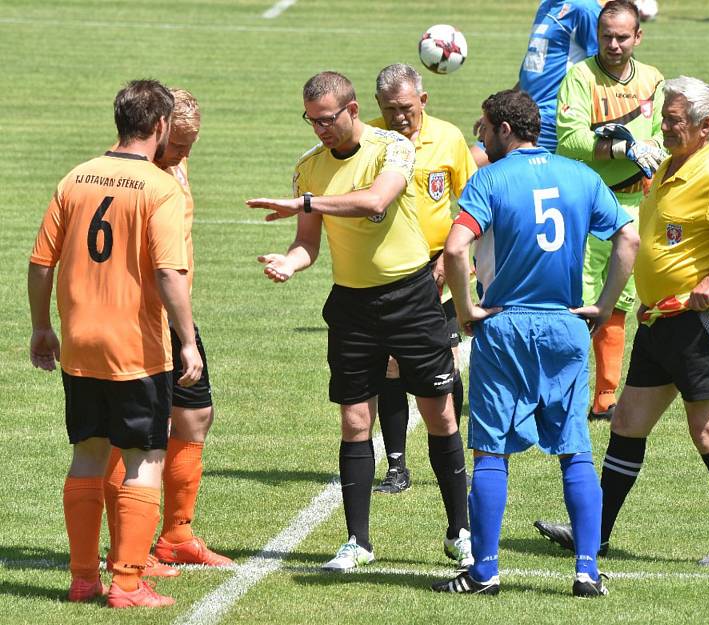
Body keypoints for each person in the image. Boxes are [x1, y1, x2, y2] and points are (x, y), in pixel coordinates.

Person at [535, 76, 709, 565]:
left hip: (698, 325)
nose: (664, 127)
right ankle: (596, 534)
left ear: (704, 127)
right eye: (664, 117)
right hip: (659, 322)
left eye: (673, 120)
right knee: (626, 422)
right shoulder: (670, 164)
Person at [247, 71, 472, 572]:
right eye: (312, 121)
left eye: (328, 119)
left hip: (412, 298)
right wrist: (290, 262)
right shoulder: (308, 168)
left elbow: (375, 201)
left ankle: (460, 531)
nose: (320, 130)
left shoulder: (392, 147)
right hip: (352, 306)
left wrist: (304, 203)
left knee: (440, 415)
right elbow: (308, 243)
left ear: (351, 110)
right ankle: (357, 541)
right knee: (354, 422)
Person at [431, 89, 639, 597]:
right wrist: (606, 305)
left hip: (505, 327)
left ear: (505, 129)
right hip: (566, 325)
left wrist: (465, 310)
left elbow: (457, 248)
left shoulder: (490, 180)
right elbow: (628, 238)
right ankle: (587, 570)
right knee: (575, 451)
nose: (478, 135)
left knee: (491, 452)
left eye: (482, 126)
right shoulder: (580, 176)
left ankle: (484, 571)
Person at [28, 79, 202, 608]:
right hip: (136, 346)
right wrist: (188, 342)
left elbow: (40, 263)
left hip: (79, 343)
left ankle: (83, 579)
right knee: (144, 458)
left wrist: (41, 327)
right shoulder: (160, 187)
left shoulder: (75, 178)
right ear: (160, 127)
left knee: (87, 454)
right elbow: (171, 274)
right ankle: (127, 582)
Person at [104, 89, 233, 573]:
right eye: (177, 144)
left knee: (195, 417)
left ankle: (176, 535)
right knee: (135, 438)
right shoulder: (135, 177)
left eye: (191, 145)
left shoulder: (173, 166)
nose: (183, 155)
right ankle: (128, 551)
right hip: (141, 320)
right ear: (155, 131)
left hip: (175, 314)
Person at [369, 63, 477, 494]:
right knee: (391, 366)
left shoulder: (448, 138)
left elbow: (471, 204)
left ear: (424, 101)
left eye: (407, 107)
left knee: (445, 364)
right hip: (390, 271)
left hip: (440, 269)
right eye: (390, 108)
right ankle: (397, 466)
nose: (399, 116)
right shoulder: (370, 140)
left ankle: (454, 456)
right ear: (377, 105)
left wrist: (451, 261)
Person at [556, 0, 666, 421]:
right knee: (579, 301)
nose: (614, 44)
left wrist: (651, 147)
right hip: (587, 203)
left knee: (619, 301)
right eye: (607, 36)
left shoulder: (654, 80)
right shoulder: (580, 77)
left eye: (623, 37)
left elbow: (661, 135)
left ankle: (604, 397)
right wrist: (623, 147)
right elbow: (570, 141)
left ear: (638, 36)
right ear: (597, 35)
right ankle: (564, 394)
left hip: (636, 202)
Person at [470, 0, 603, 167]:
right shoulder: (546, 5)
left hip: (550, 117)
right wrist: (497, 111)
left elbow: (603, 65)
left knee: (470, 166)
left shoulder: (584, 9)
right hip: (525, 112)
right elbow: (534, 73)